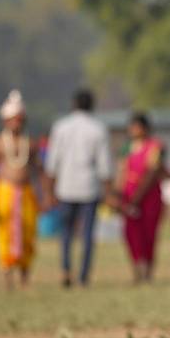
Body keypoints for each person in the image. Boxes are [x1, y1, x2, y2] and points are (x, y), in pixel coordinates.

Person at [45, 89, 112, 287]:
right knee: (87, 234)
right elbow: (105, 166)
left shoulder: (60, 127)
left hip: (65, 187)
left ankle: (66, 270)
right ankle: (83, 276)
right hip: (89, 188)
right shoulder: (98, 128)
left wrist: (49, 192)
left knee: (66, 232)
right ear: (91, 105)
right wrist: (108, 191)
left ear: (74, 104)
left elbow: (52, 163)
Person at [113, 112, 170, 283]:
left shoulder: (156, 146)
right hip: (129, 195)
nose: (133, 130)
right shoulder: (126, 148)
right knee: (131, 234)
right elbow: (121, 172)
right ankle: (136, 269)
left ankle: (147, 272)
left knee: (149, 234)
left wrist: (136, 198)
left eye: (137, 126)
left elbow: (152, 172)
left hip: (149, 197)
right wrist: (118, 196)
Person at [0, 90, 42, 288]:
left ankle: (25, 275)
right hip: (4, 192)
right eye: (13, 119)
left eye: (20, 119)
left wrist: (47, 195)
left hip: (27, 193)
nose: (17, 123)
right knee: (6, 233)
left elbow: (40, 170)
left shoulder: (30, 143)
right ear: (6, 121)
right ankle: (7, 274)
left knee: (28, 232)